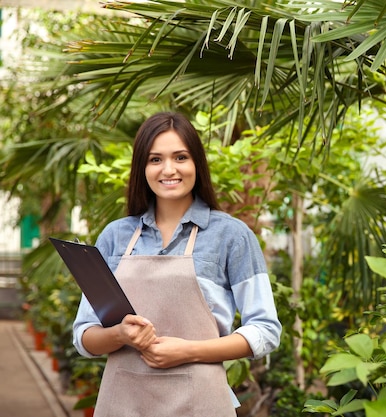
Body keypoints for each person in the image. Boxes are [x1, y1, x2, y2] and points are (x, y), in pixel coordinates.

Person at [72, 111, 282, 417]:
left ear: (197, 163)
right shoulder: (116, 236)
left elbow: (265, 330)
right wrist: (120, 335)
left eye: (180, 157)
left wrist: (188, 351)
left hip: (201, 401)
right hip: (123, 402)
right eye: (155, 159)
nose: (168, 169)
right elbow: (84, 336)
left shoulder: (231, 236)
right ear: (142, 167)